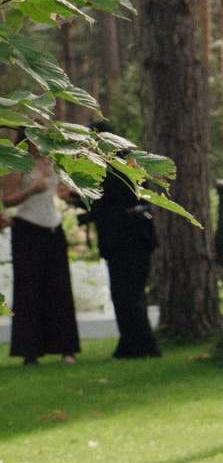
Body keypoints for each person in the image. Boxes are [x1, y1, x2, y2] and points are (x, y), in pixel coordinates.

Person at [83, 146, 161, 360]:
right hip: (135, 240)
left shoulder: (112, 176)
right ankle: (133, 344)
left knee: (127, 296)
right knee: (130, 296)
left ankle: (143, 345)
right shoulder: (130, 170)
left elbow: (105, 204)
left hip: (124, 242)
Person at [4, 154, 80, 364]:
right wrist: (31, 190)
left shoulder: (52, 161)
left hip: (54, 227)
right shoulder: (17, 162)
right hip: (28, 226)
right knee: (29, 289)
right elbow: (7, 199)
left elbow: (59, 190)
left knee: (60, 287)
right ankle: (30, 352)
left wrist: (67, 195)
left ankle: (67, 349)